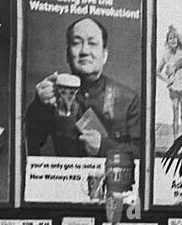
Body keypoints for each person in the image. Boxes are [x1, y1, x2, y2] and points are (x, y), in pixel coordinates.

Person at [24, 16, 141, 158]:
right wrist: (39, 106)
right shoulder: (52, 95)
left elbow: (142, 153)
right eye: (76, 43)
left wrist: (103, 147)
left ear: (104, 55)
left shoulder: (128, 99)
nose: (84, 51)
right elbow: (28, 144)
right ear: (68, 54)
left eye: (92, 43)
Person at [157, 26, 182, 138]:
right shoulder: (166, 56)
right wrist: (166, 79)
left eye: (174, 38)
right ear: (167, 42)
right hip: (173, 88)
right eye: (170, 38)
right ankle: (175, 139)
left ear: (177, 40)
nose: (173, 40)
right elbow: (157, 71)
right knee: (175, 112)